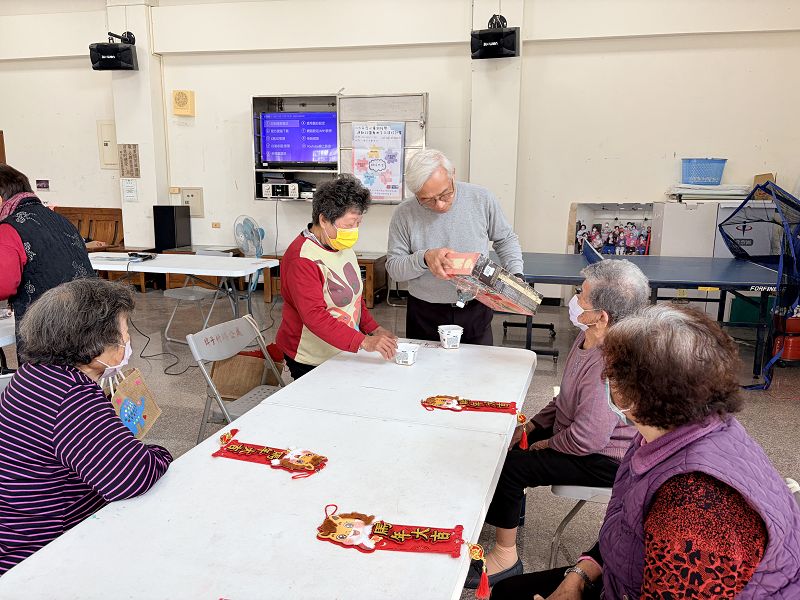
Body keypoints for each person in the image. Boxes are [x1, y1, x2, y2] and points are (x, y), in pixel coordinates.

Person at [491, 305, 800, 599]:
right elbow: (626, 525)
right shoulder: (669, 433)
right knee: (508, 591)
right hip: (624, 578)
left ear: (636, 393)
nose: (603, 380)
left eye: (609, 373)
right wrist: (580, 574)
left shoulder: (696, 509)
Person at [466, 260, 650, 589]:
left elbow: (588, 438)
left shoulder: (608, 363)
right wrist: (532, 427)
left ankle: (506, 557)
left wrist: (545, 444)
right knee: (508, 440)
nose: (574, 299)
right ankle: (510, 509)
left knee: (512, 467)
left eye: (581, 296)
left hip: (604, 458)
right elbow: (565, 400)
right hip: (581, 434)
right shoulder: (587, 339)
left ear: (601, 317)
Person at [0, 278, 172, 575]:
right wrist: (160, 453)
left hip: (17, 532)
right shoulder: (71, 396)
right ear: (96, 347)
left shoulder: (33, 375)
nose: (128, 341)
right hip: (41, 555)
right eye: (125, 333)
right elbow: (132, 476)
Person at [386, 149, 524, 345]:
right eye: (427, 200)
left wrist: (516, 275)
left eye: (445, 194)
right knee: (426, 365)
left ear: (453, 175)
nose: (440, 205)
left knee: (479, 364)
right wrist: (424, 258)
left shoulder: (481, 198)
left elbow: (505, 239)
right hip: (425, 312)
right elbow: (394, 269)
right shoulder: (404, 213)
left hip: (476, 307)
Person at [276, 174, 397, 380]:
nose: (354, 230)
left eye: (358, 223)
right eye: (349, 224)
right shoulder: (302, 258)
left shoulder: (341, 245)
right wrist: (364, 341)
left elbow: (354, 299)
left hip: (341, 349)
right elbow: (315, 316)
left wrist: (373, 329)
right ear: (324, 220)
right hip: (310, 358)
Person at [0, 163, 95, 331]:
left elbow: (3, 286)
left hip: (47, 326)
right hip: (88, 317)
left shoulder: (9, 228)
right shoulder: (59, 220)